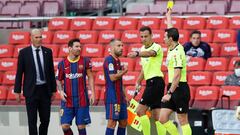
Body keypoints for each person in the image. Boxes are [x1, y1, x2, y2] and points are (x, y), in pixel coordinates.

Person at [14, 29, 56, 135]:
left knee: (45, 120)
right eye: (36, 37)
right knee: (32, 121)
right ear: (31, 38)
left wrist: (54, 90)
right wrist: (17, 91)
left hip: (45, 91)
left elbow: (51, 72)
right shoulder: (24, 53)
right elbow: (19, 73)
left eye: (40, 37)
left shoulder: (48, 51)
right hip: (31, 91)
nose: (39, 39)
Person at [157, 9, 192, 135]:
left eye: (165, 37)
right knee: (162, 118)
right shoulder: (173, 46)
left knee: (183, 120)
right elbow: (170, 29)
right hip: (172, 87)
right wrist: (168, 16)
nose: (163, 39)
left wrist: (169, 93)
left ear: (170, 39)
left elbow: (177, 75)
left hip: (179, 88)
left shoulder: (177, 52)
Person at [128, 26, 165, 135]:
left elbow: (151, 53)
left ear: (151, 36)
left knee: (140, 111)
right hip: (153, 83)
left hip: (155, 82)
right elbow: (145, 69)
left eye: (146, 36)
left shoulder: (157, 47)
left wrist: (137, 53)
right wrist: (138, 81)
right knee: (156, 115)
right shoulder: (143, 49)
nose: (144, 39)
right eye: (142, 37)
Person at [56, 38, 95, 135]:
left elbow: (90, 77)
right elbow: (58, 79)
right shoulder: (62, 64)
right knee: (65, 126)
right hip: (67, 100)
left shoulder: (85, 61)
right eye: (76, 46)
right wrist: (60, 91)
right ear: (69, 48)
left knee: (81, 126)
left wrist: (93, 93)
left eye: (80, 47)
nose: (79, 49)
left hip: (82, 100)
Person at [103, 39, 128, 135]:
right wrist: (125, 71)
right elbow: (113, 78)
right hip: (112, 97)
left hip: (120, 97)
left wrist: (125, 96)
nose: (121, 48)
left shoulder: (118, 61)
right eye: (119, 46)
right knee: (112, 123)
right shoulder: (109, 60)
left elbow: (119, 81)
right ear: (112, 48)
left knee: (123, 122)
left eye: (122, 45)